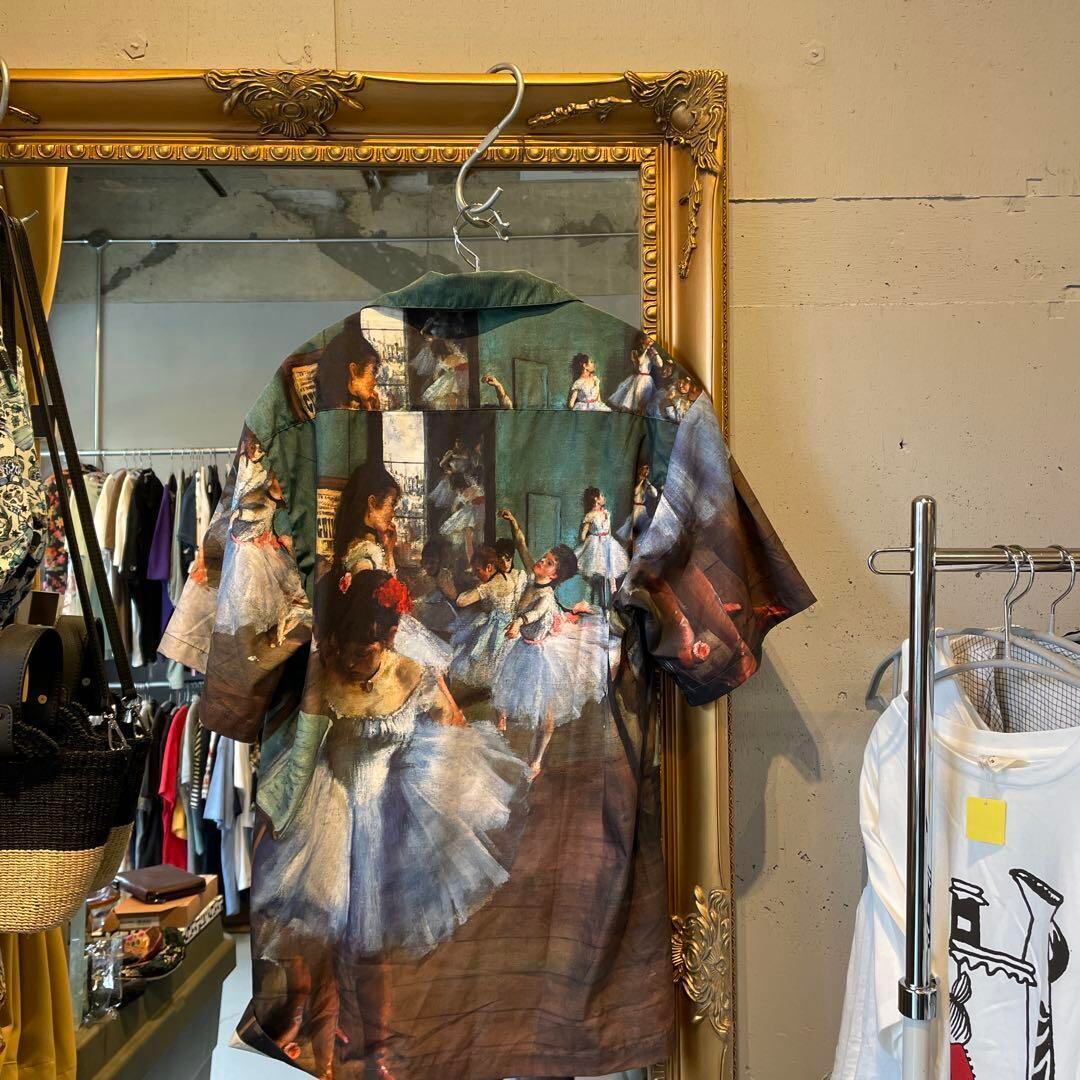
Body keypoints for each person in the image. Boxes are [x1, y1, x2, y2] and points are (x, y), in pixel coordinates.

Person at [253, 568, 527, 1075]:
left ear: (391, 638)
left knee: (372, 946)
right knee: (324, 936)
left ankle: (377, 1054)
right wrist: (279, 816)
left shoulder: (409, 674)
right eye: (349, 648)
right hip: (330, 809)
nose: (356, 659)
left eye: (368, 650)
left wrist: (439, 776)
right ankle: (322, 1042)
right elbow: (302, 755)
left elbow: (448, 726)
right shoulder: (324, 675)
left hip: (387, 814)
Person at [492, 508, 610, 779]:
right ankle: (502, 725)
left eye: (548, 563)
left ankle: (536, 760)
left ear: (555, 575)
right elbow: (522, 545)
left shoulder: (545, 596)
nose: (541, 562)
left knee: (546, 716)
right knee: (504, 688)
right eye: (544, 558)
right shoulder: (533, 576)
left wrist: (518, 623)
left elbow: (533, 614)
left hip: (540, 654)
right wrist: (513, 522)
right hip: (523, 646)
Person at [333, 460, 453, 677]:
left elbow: (388, 581)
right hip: (377, 631)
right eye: (391, 504)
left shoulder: (371, 544)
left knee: (433, 669)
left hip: (388, 625)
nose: (393, 513)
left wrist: (389, 550)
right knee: (427, 671)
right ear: (372, 503)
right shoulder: (363, 552)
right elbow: (367, 605)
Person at [214, 430, 309, 644]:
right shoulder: (256, 487)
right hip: (248, 550)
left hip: (262, 549)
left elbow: (264, 512)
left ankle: (270, 632)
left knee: (272, 596)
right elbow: (245, 511)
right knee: (248, 595)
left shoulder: (272, 501)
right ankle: (255, 634)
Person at [449, 545, 521, 695]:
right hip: (506, 620)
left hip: (498, 627)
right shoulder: (504, 575)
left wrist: (478, 587)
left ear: (489, 567)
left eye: (478, 571)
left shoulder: (490, 585)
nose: (476, 575)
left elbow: (461, 602)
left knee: (477, 652)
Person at [575, 486, 630, 607]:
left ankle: (609, 603)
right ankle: (598, 603)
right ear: (596, 499)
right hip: (595, 544)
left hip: (608, 543)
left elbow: (608, 531)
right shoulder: (590, 515)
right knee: (598, 575)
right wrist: (589, 540)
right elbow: (583, 536)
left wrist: (608, 542)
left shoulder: (606, 513)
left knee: (610, 570)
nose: (604, 498)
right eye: (602, 496)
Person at [316, 325, 382, 412]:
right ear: (353, 370)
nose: (375, 382)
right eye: (373, 372)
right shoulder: (335, 411)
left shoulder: (351, 404)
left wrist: (370, 409)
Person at [607, 331, 664, 414]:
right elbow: (640, 362)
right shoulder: (634, 352)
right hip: (638, 379)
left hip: (647, 380)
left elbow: (660, 364)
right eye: (648, 337)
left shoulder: (651, 353)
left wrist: (655, 353)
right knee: (634, 403)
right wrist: (646, 349)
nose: (651, 339)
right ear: (641, 340)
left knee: (645, 404)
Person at [419, 338, 470, 410]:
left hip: (458, 378)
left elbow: (463, 366)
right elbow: (437, 373)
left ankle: (454, 410)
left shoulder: (453, 357)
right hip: (452, 378)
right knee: (449, 394)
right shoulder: (444, 360)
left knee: (452, 393)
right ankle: (453, 410)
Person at [616, 463, 659, 546]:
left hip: (642, 509)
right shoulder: (636, 483)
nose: (646, 474)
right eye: (645, 472)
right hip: (636, 508)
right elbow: (635, 492)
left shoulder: (646, 484)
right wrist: (641, 481)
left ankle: (638, 545)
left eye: (647, 473)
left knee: (643, 528)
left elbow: (655, 494)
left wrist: (648, 483)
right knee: (632, 531)